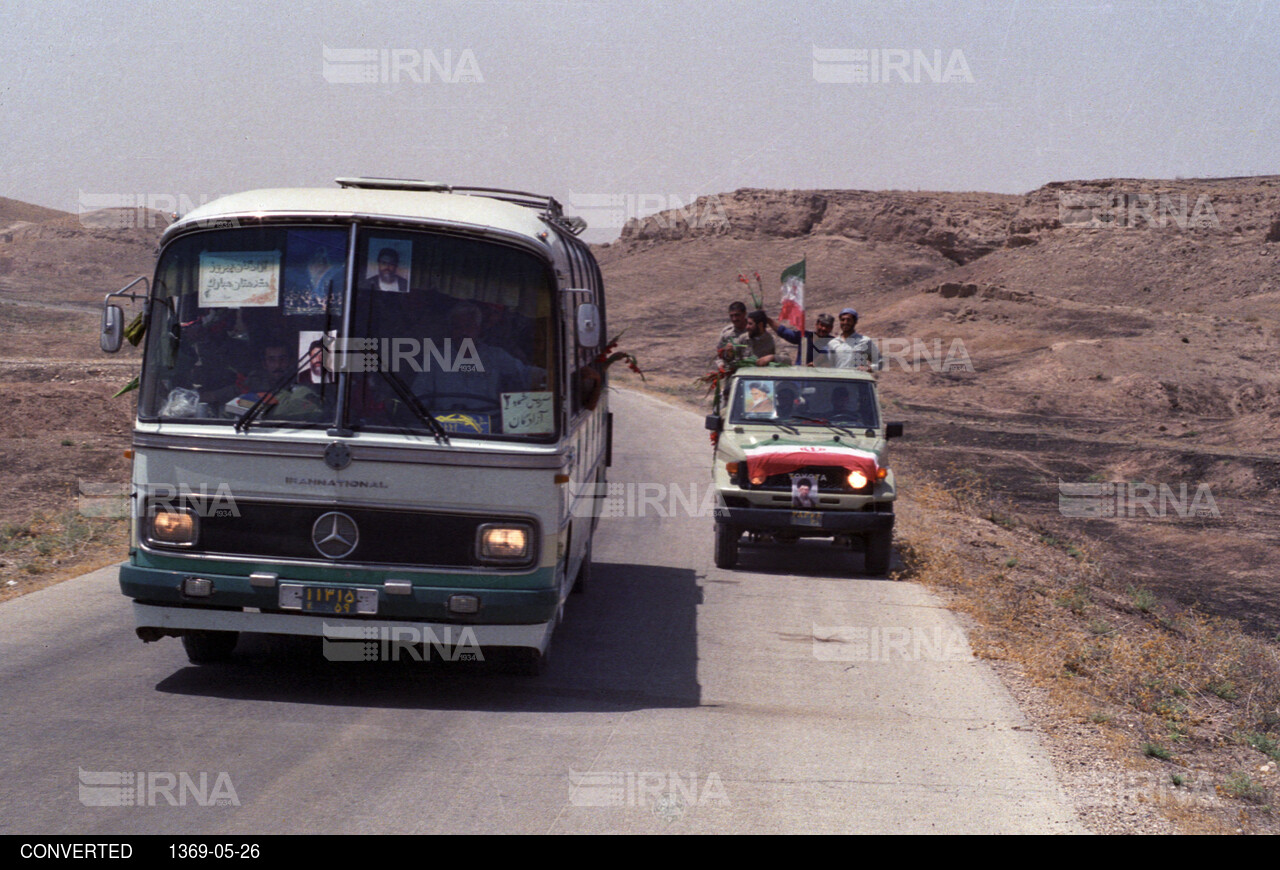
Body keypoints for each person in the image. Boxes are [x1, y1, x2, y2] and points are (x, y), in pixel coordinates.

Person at [411, 302, 545, 411]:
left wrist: (551, 377)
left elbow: (526, 375)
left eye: (468, 326)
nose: (463, 332)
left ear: (478, 329)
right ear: (451, 331)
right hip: (445, 427)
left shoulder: (496, 356)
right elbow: (420, 395)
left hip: (489, 430)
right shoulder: (436, 358)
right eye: (458, 327)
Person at [768, 311, 834, 366]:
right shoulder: (804, 336)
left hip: (821, 378)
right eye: (822, 325)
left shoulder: (833, 342)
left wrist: (816, 362)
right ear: (816, 325)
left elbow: (827, 353)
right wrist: (768, 320)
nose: (823, 328)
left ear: (831, 328)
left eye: (827, 326)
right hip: (800, 376)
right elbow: (784, 332)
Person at [827, 308, 881, 372]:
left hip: (857, 380)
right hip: (839, 380)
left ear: (855, 322)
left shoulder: (864, 341)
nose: (845, 322)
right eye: (842, 320)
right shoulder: (833, 343)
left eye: (848, 320)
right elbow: (830, 366)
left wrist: (869, 368)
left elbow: (880, 362)